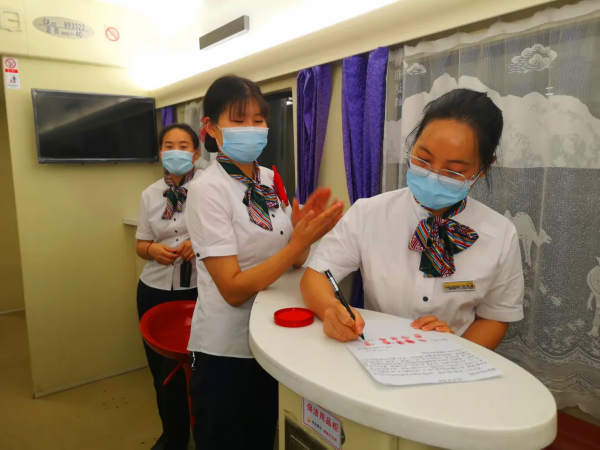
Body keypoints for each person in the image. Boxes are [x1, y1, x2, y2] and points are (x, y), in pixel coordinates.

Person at [185, 75, 344, 449]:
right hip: (226, 346)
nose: (252, 128)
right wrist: (295, 245)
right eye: (239, 119)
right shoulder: (207, 190)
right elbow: (232, 289)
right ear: (211, 127)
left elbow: (294, 260)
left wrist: (303, 232)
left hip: (272, 335)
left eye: (258, 119)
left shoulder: (269, 180)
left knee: (262, 436)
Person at [301, 89, 524, 351]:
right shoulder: (369, 214)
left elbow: (495, 317)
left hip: (451, 365)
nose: (432, 175)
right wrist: (331, 309)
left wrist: (456, 352)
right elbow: (315, 277)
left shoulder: (500, 234)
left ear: (483, 168)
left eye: (453, 171)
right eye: (423, 159)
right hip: (375, 355)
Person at [135, 123, 201, 450]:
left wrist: (199, 243)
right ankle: (173, 436)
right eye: (168, 146)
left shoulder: (210, 189)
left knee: (200, 369)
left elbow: (231, 235)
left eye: (183, 145)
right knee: (162, 372)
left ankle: (205, 434)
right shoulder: (150, 194)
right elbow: (140, 244)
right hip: (154, 289)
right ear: (161, 152)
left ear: (196, 153)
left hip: (199, 289)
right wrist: (152, 249)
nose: (176, 151)